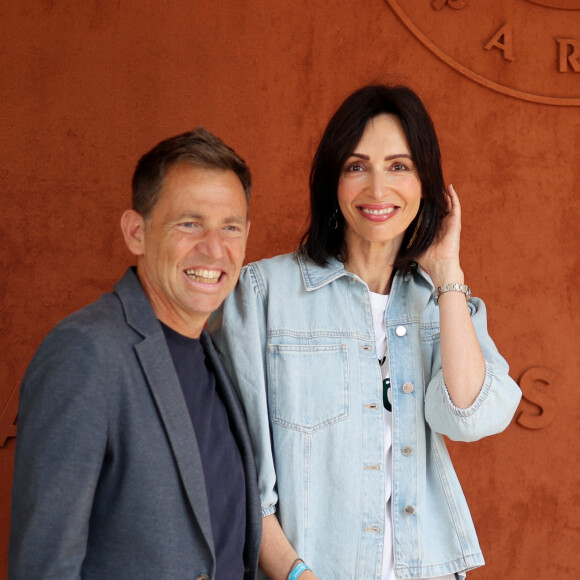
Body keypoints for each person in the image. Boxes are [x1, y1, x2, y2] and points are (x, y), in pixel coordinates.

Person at [209, 85, 522, 580]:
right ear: (334, 179)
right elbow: (235, 468)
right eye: (357, 166)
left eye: (399, 166)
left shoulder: (443, 302)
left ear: (426, 184)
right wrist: (295, 574)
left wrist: (446, 272)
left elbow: (467, 415)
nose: (378, 190)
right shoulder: (265, 292)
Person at [9, 127, 261, 579]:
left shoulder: (218, 356)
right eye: (189, 223)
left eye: (230, 227)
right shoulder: (85, 353)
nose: (214, 248)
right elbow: (45, 565)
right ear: (136, 232)